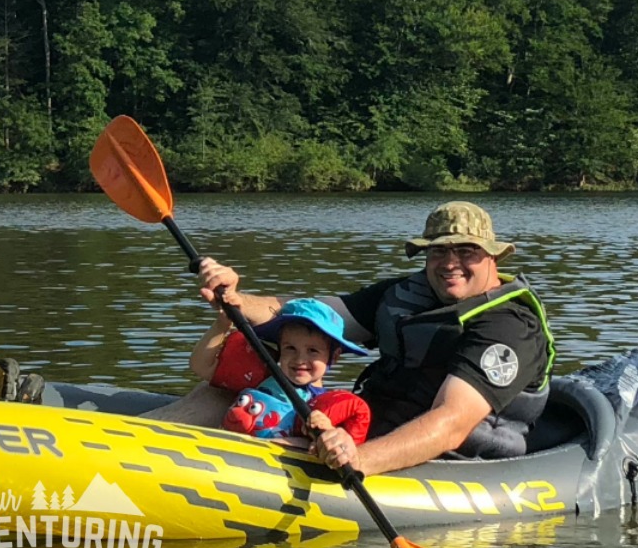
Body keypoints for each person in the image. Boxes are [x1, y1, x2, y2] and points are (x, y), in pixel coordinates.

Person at [147, 201, 553, 478]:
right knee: (230, 393)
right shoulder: (409, 294)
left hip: (452, 459)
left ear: (494, 257)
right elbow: (305, 314)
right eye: (437, 251)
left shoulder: (508, 326)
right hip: (366, 428)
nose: (449, 263)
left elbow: (450, 424)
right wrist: (236, 297)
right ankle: (135, 447)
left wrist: (357, 458)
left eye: (466, 251)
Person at [190, 295, 373, 444]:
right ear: (280, 349)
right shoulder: (262, 378)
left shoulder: (325, 407)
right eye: (290, 348)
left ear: (334, 356)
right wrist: (221, 325)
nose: (300, 359)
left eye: (312, 351)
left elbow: (328, 447)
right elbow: (201, 366)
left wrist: (327, 431)